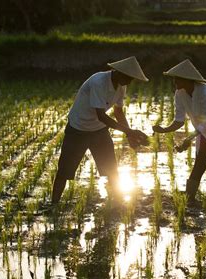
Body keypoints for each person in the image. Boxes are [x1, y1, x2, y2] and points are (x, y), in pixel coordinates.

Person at [52, 56, 149, 205]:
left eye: (132, 79)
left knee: (112, 170)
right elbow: (101, 115)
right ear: (117, 72)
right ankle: (53, 204)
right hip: (78, 128)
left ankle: (118, 204)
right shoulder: (98, 82)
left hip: (99, 130)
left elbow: (118, 112)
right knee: (64, 170)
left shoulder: (121, 85)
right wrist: (130, 132)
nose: (130, 82)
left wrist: (129, 134)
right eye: (128, 78)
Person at [152, 59, 206, 215]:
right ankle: (189, 198)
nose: (174, 81)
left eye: (177, 78)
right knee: (199, 164)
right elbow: (179, 120)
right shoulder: (179, 94)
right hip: (204, 132)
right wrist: (164, 130)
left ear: (187, 79)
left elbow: (205, 121)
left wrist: (188, 139)